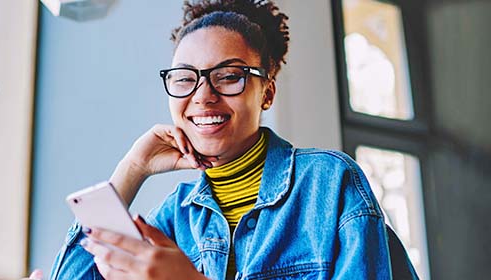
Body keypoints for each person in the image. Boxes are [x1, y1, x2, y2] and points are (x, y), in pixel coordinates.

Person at [44, 0, 418, 279]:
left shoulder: (327, 182)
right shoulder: (176, 216)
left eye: (227, 76)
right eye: (185, 78)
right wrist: (132, 169)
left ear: (267, 93)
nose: (203, 96)